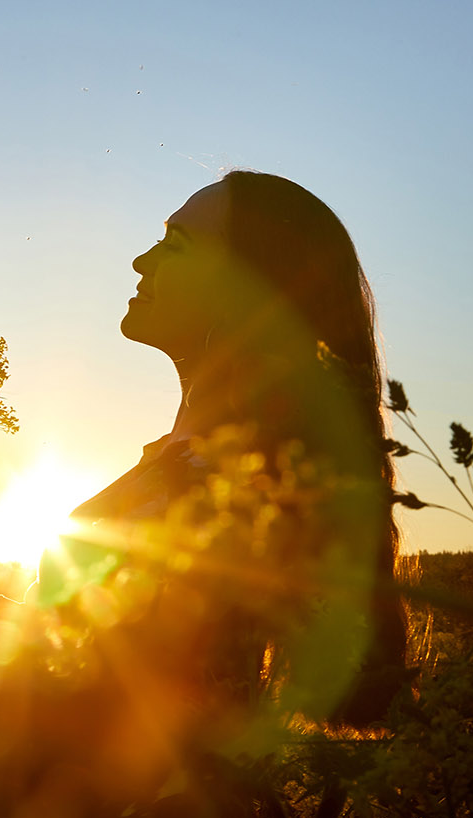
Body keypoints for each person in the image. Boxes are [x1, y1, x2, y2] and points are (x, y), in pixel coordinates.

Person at [70, 170, 406, 726]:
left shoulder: (233, 488)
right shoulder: (188, 461)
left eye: (174, 244)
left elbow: (118, 688)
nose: (141, 261)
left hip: (150, 808)